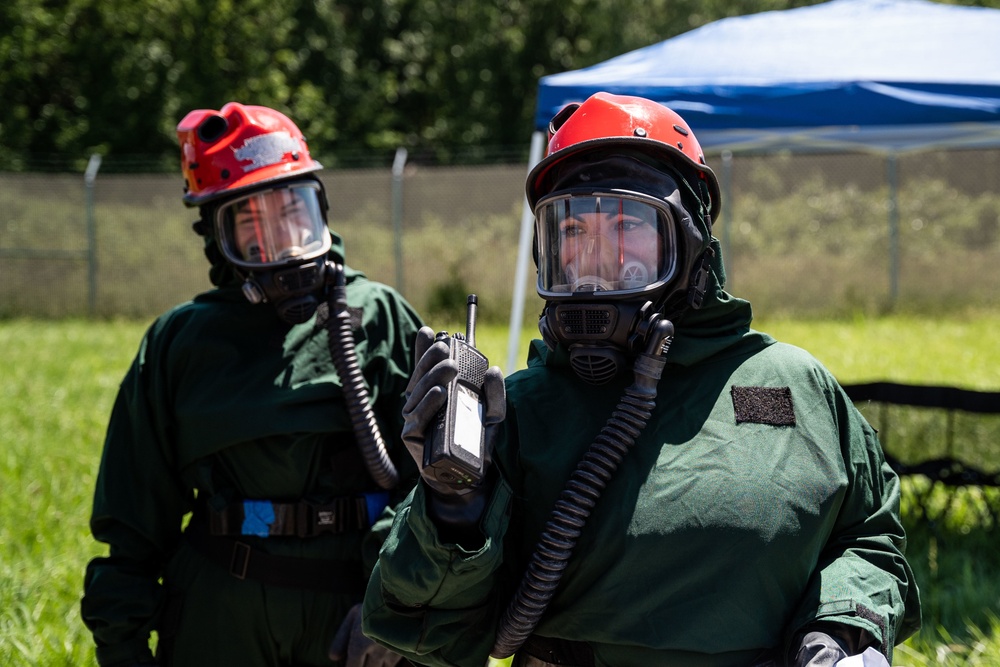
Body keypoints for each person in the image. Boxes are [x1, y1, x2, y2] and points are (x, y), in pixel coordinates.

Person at [361, 92, 921, 667]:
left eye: (627, 225)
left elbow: (870, 537)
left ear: (690, 239)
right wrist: (450, 506)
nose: (594, 262)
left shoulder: (796, 386)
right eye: (572, 230)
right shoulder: (513, 413)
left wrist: (841, 631)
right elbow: (427, 634)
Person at [81, 102, 422, 667]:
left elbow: (436, 488)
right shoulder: (180, 344)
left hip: (356, 620)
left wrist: (393, 607)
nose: (282, 240)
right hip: (220, 619)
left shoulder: (379, 318)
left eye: (294, 211)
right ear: (217, 239)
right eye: (251, 225)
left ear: (321, 209)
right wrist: (122, 648)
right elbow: (132, 529)